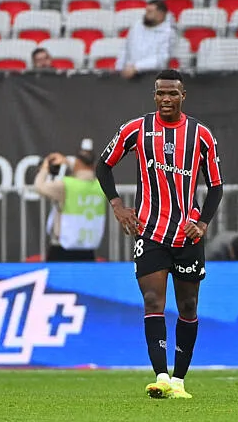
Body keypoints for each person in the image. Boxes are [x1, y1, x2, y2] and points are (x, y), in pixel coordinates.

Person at [96, 69, 224, 400]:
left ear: (183, 96)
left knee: (189, 304)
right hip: (150, 232)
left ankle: (180, 380)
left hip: (187, 235)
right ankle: (161, 376)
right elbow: (103, 164)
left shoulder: (201, 135)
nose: (166, 99)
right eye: (160, 93)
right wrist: (118, 206)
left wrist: (203, 223)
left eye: (172, 93)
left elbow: (216, 187)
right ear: (154, 96)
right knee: (153, 300)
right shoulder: (136, 128)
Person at [34, 140, 106, 261]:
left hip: (63, 249)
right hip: (88, 251)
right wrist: (67, 162)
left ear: (77, 162)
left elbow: (39, 186)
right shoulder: (100, 186)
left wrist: (45, 167)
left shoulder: (66, 185)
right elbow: (85, 173)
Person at [115, 0, 174, 80]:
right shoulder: (137, 26)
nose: (146, 14)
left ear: (161, 14)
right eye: (146, 11)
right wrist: (118, 69)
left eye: (150, 12)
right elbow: (125, 49)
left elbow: (161, 60)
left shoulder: (169, 32)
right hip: (129, 75)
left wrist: (137, 67)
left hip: (154, 77)